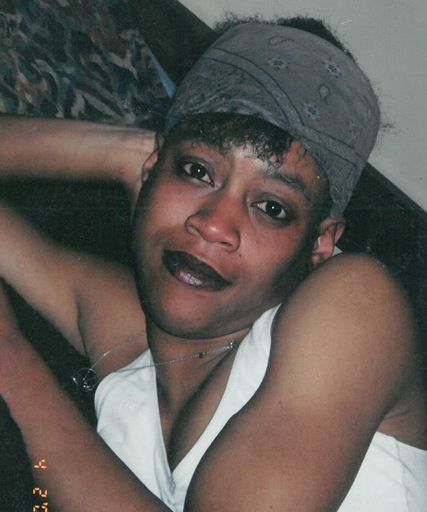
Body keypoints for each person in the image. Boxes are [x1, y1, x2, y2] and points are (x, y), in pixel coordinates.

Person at [0, 17, 426, 512]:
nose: (215, 224)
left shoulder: (356, 307)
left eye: (272, 207)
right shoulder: (135, 355)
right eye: (197, 170)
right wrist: (128, 151)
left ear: (319, 245)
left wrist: (11, 363)